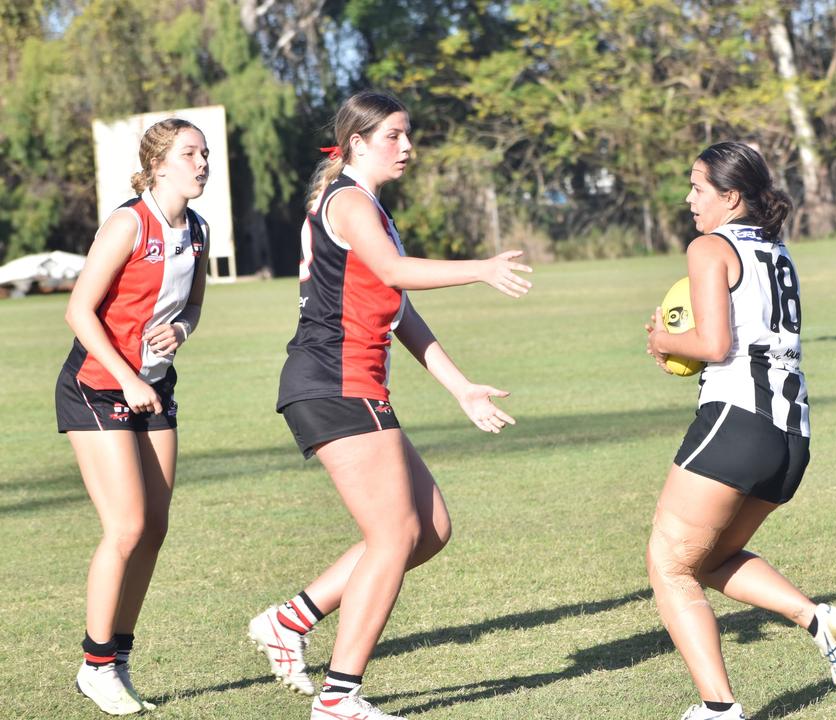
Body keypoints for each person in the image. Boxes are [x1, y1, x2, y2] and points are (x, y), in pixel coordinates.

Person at [248, 91, 532, 720]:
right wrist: (480, 268)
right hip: (332, 382)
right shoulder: (349, 202)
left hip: (354, 385)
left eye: (408, 135)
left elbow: (397, 310)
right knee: (392, 535)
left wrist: (460, 386)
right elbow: (394, 273)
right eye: (394, 137)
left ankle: (288, 621)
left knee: (427, 530)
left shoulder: (369, 207)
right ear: (357, 145)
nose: (408, 148)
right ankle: (339, 698)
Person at [644, 142, 836, 720]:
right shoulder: (778, 251)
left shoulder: (709, 247)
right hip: (792, 436)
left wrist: (665, 342)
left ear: (730, 196)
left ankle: (718, 710)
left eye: (697, 187)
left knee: (669, 565)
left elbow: (713, 345)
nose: (689, 199)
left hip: (737, 420)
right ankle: (817, 619)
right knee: (711, 560)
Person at [57, 118, 211, 715]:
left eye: (205, 154)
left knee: (154, 528)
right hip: (97, 388)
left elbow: (193, 305)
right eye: (190, 154)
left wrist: (182, 330)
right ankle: (94, 666)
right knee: (124, 527)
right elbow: (78, 311)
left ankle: (116, 659)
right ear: (158, 165)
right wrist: (125, 377)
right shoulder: (128, 222)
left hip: (154, 388)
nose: (201, 164)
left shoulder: (196, 228)